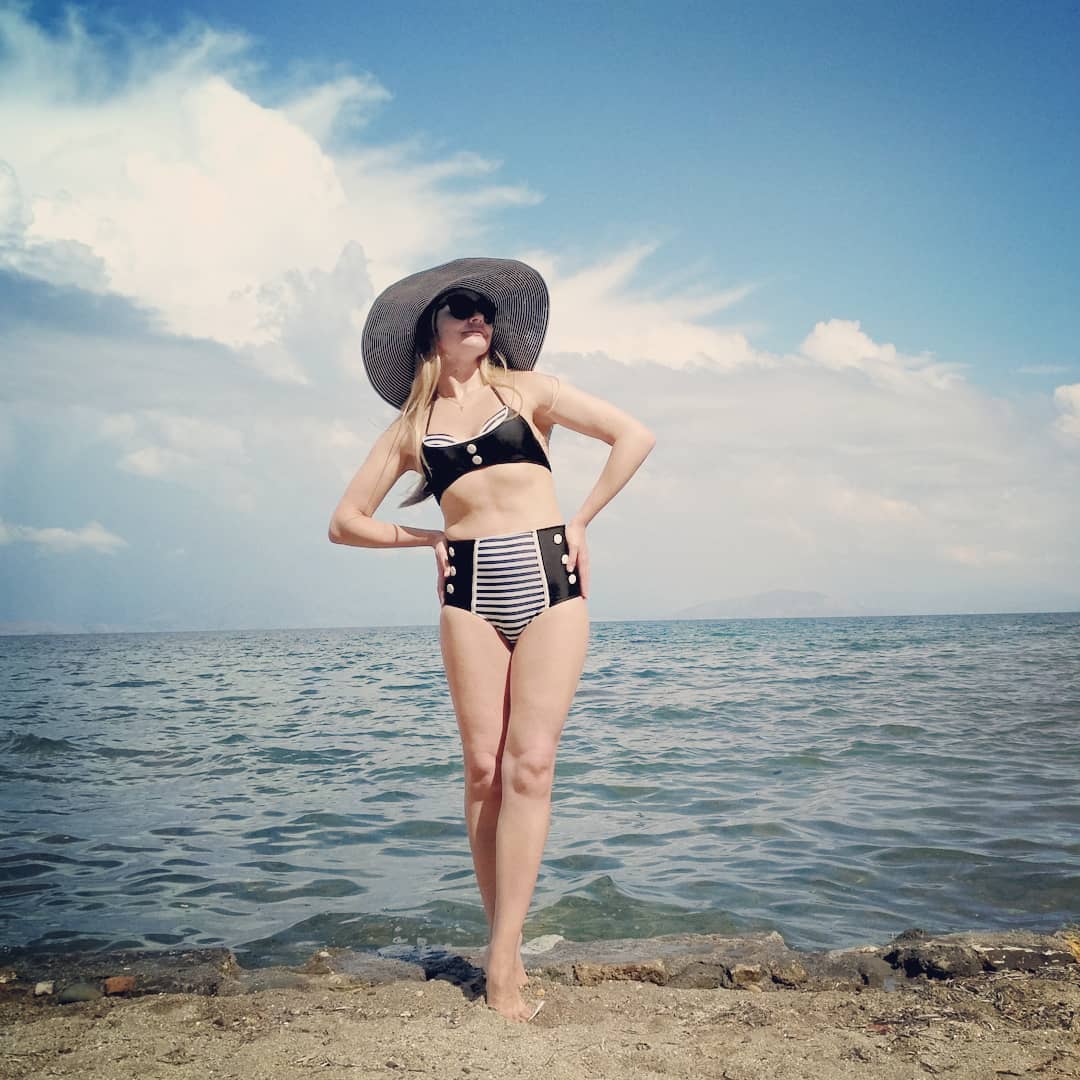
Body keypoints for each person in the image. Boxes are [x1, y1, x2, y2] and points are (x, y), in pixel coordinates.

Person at [328, 257, 655, 1022]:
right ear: (432, 333)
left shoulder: (528, 392)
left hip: (548, 577)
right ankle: (503, 943)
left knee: (529, 765)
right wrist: (423, 538)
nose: (480, 317)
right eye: (463, 307)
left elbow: (633, 436)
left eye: (485, 308)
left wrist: (581, 521)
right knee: (482, 772)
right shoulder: (410, 429)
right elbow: (345, 522)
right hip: (468, 593)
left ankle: (502, 961)